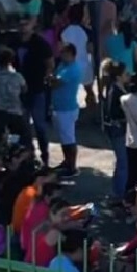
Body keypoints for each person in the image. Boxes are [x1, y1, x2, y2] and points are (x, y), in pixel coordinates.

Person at [13, 16, 54, 165]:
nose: (23, 27)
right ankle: (28, 157)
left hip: (37, 89)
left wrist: (47, 77)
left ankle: (45, 156)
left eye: (26, 24)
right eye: (21, 24)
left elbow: (50, 62)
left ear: (32, 26)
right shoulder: (14, 42)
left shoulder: (40, 43)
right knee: (23, 127)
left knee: (40, 126)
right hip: (19, 91)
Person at [48, 43, 83, 177]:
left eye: (64, 53)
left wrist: (50, 78)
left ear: (71, 54)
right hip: (59, 107)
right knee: (63, 138)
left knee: (69, 139)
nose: (61, 55)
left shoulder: (73, 69)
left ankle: (72, 167)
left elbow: (55, 83)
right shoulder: (63, 65)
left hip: (67, 109)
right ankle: (66, 161)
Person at [103, 60, 130, 205]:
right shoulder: (115, 92)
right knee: (123, 163)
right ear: (119, 76)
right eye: (126, 73)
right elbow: (113, 113)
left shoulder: (118, 88)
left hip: (119, 131)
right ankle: (119, 194)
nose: (128, 75)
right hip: (118, 131)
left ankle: (117, 190)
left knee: (121, 162)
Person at [60, 4, 95, 107]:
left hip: (69, 65)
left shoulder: (63, 31)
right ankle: (92, 109)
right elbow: (90, 49)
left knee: (70, 92)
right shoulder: (87, 31)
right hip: (85, 65)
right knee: (89, 90)